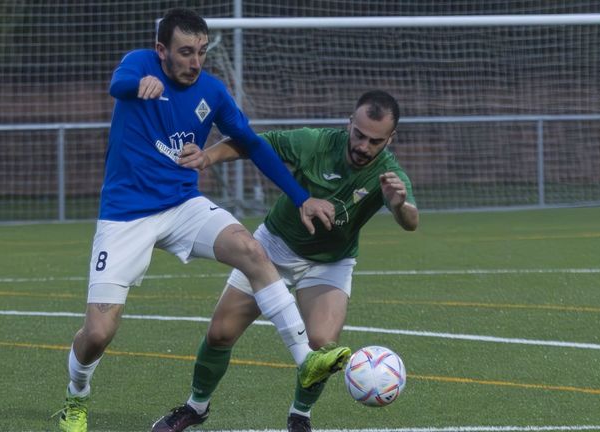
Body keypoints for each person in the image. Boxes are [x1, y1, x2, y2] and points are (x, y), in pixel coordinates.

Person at [54, 8, 351, 432]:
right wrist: (138, 85)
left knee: (251, 250)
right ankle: (76, 395)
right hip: (125, 216)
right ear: (161, 50)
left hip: (182, 206)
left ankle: (306, 359)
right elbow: (116, 84)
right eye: (185, 52)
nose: (195, 62)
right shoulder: (139, 64)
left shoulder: (211, 91)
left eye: (202, 52)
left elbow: (252, 144)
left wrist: (301, 197)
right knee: (99, 332)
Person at [151, 90, 418, 432]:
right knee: (219, 334)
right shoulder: (315, 143)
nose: (363, 146)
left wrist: (398, 205)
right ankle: (195, 407)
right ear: (349, 123)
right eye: (359, 134)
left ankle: (300, 417)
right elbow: (252, 144)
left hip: (330, 264)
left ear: (390, 139)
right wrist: (208, 157)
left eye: (375, 141)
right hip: (272, 249)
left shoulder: (389, 175)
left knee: (322, 347)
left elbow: (411, 221)